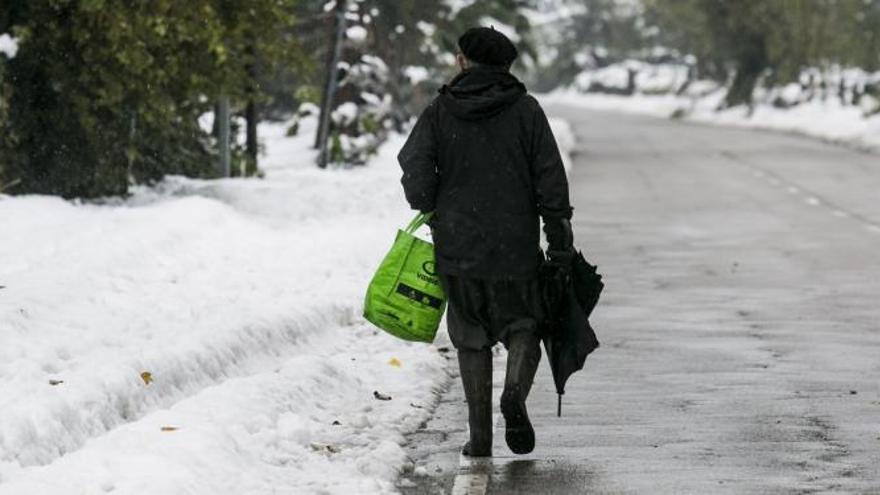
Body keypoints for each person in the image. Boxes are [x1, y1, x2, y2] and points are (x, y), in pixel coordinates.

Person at [397, 26, 574, 457]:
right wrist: (559, 240)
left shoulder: (441, 110)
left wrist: (436, 199)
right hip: (515, 244)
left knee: (471, 337)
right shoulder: (526, 111)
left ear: (462, 61)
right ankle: (514, 391)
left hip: (458, 246)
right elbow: (551, 180)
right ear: (508, 66)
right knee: (524, 324)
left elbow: (415, 172)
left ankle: (480, 440)